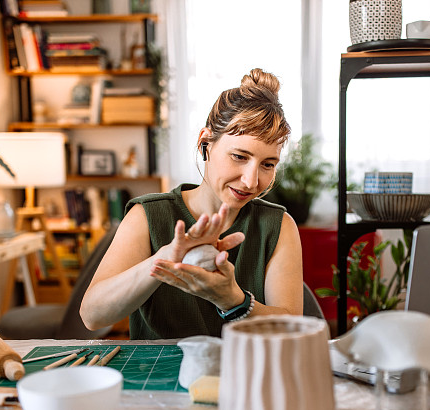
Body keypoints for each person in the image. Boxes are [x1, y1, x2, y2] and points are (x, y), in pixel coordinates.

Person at [80, 68, 303, 339]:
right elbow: (92, 316)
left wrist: (233, 299)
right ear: (205, 144)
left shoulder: (278, 226)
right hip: (157, 376)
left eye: (268, 164)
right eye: (239, 157)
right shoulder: (147, 215)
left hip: (244, 373)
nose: (251, 181)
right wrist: (165, 258)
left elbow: (293, 329)